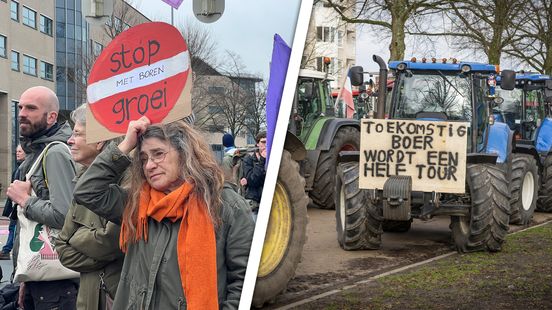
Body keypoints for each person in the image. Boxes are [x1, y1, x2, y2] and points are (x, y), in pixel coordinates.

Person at [73, 116, 254, 309]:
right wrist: (125, 146)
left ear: (185, 154)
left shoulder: (225, 205)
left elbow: (244, 282)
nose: (149, 165)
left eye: (158, 154)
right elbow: (87, 191)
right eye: (143, 159)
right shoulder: (136, 203)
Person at [6, 86, 78, 309]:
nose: (22, 113)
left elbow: (64, 215)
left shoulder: (55, 151)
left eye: (31, 108)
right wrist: (25, 277)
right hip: (41, 278)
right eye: (20, 107)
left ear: (52, 116)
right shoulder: (38, 151)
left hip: (57, 283)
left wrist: (25, 200)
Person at [55, 104, 124, 310]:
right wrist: (94, 244)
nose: (70, 140)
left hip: (115, 299)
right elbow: (62, 249)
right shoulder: (82, 181)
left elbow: (113, 243)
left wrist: (77, 238)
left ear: (99, 141)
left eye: (77, 133)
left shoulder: (125, 182)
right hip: (87, 301)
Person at [0, 145, 25, 260]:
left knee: (14, 228)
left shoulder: (23, 168)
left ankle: (7, 250)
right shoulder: (18, 168)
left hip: (19, 205)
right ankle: (7, 249)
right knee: (13, 228)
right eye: (16, 152)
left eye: (20, 151)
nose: (17, 154)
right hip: (15, 205)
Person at [240, 131, 267, 212]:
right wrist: (262, 160)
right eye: (263, 142)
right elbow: (252, 180)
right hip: (254, 202)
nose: (266, 145)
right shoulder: (249, 158)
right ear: (257, 143)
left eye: (268, 142)